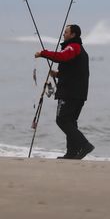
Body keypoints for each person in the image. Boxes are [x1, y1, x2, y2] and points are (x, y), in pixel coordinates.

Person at [34, 24, 94, 159]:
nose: (64, 34)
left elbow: (62, 57)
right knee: (71, 121)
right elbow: (74, 71)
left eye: (66, 32)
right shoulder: (78, 49)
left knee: (62, 120)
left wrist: (43, 53)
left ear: (73, 35)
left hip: (71, 93)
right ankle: (71, 152)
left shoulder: (73, 47)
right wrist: (58, 74)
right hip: (78, 93)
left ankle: (85, 145)